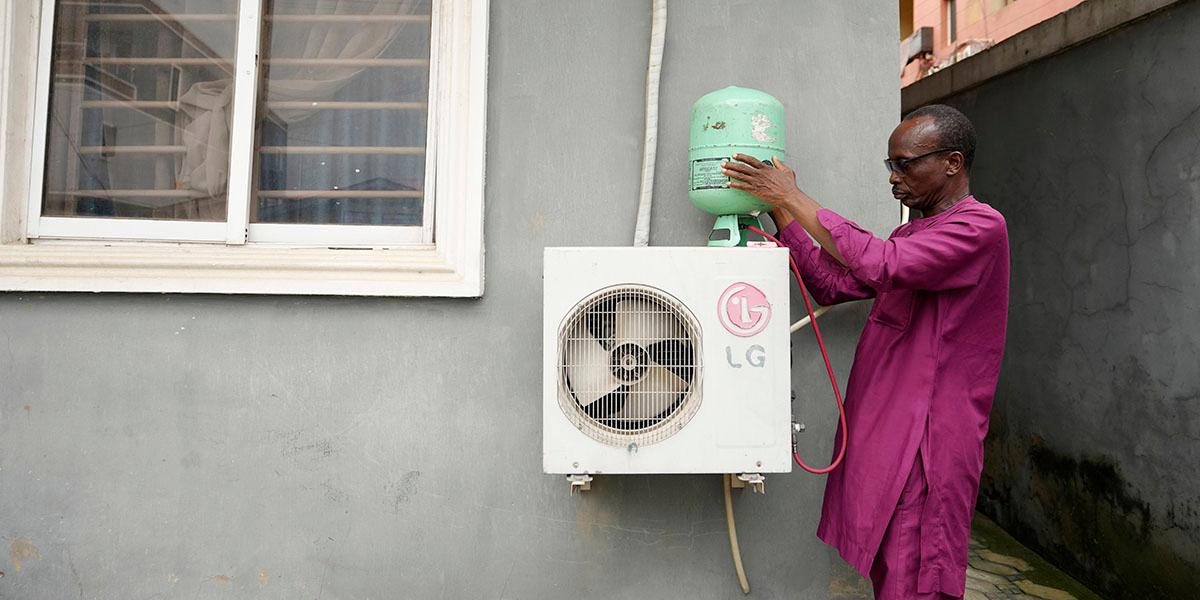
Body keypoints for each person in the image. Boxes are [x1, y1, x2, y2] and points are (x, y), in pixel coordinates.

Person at [721, 104, 1009, 600]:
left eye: (906, 164)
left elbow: (881, 264)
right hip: (888, 427)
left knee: (918, 574)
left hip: (928, 437)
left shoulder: (980, 228)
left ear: (953, 162)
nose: (893, 178)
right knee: (889, 565)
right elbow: (832, 285)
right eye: (889, 165)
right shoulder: (910, 234)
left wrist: (794, 193)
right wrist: (779, 209)